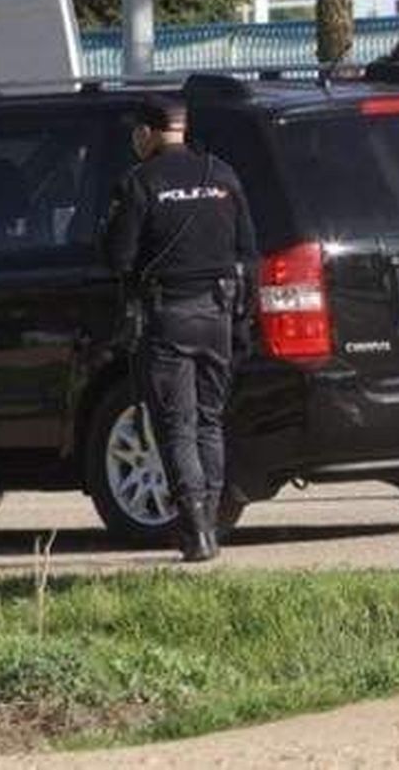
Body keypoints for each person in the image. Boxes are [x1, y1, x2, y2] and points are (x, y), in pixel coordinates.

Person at [104, 98, 258, 561]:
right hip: (219, 314)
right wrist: (242, 318)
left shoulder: (139, 182)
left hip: (169, 316)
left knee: (177, 426)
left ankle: (195, 531)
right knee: (209, 422)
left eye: (136, 132)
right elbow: (248, 251)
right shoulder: (222, 175)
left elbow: (119, 257)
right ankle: (211, 523)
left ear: (147, 132)